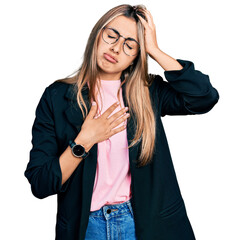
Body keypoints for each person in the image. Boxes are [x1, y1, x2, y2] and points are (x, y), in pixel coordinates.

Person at [24, 4, 219, 240]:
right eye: (111, 36)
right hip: (88, 228)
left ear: (137, 56)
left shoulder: (148, 91)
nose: (116, 48)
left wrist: (155, 50)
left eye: (130, 45)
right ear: (97, 34)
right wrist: (84, 142)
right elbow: (41, 183)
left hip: (147, 225)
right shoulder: (56, 97)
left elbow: (203, 97)